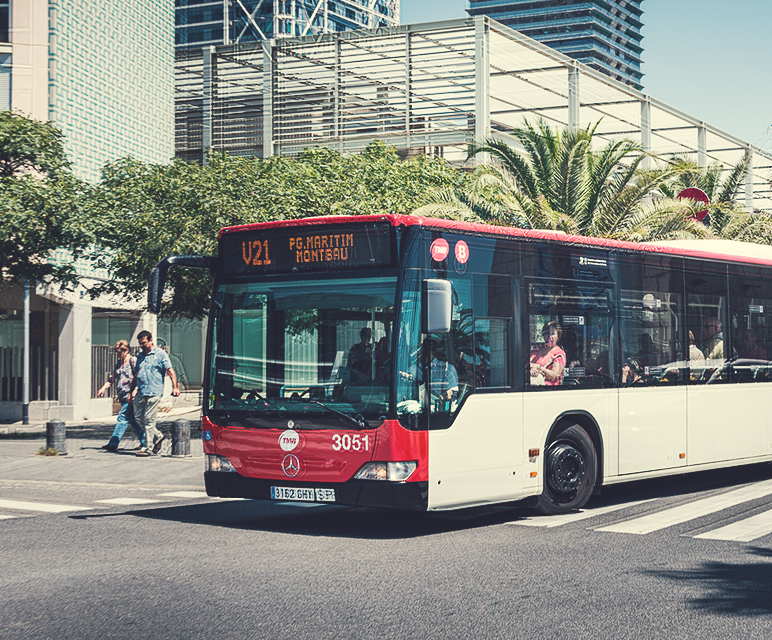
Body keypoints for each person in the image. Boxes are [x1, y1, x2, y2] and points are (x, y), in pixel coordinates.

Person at [130, 330, 180, 457]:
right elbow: (136, 375)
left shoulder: (160, 354)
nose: (142, 345)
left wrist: (175, 387)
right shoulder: (140, 356)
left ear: (151, 340)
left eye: (144, 343)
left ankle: (147, 447)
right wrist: (131, 391)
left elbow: (170, 371)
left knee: (148, 420)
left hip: (154, 392)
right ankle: (158, 436)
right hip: (141, 391)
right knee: (138, 418)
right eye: (140, 343)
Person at [97, 340, 146, 453]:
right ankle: (145, 441)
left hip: (131, 396)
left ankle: (113, 443)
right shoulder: (119, 363)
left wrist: (134, 392)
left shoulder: (133, 361)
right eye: (117, 353)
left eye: (120, 352)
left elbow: (139, 377)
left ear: (126, 350)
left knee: (122, 418)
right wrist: (103, 388)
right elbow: (113, 378)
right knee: (132, 421)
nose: (119, 355)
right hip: (123, 395)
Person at [529, 321, 566, 386]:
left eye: (553, 333)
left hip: (548, 391)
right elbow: (525, 364)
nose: (550, 337)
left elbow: (554, 376)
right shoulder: (537, 348)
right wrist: (531, 369)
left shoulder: (559, 354)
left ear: (558, 336)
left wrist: (539, 368)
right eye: (547, 333)